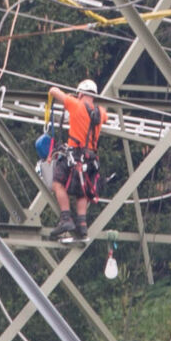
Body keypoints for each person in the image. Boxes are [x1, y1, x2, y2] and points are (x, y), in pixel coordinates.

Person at [47, 79, 107, 243]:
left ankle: (66, 218)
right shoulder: (100, 112)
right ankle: (82, 224)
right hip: (91, 158)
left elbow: (53, 90)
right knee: (83, 190)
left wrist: (71, 96)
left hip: (74, 154)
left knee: (58, 184)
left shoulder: (75, 104)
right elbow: (106, 116)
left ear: (80, 93)